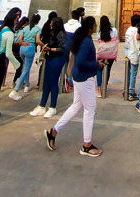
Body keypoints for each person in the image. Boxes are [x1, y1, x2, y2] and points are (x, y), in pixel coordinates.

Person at [44, 16, 104, 156]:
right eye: (95, 25)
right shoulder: (87, 42)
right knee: (90, 109)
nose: (96, 27)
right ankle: (86, 145)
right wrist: (97, 64)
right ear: (90, 27)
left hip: (78, 76)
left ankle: (53, 132)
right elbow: (81, 62)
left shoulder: (81, 37)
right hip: (84, 78)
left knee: (76, 106)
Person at [29, 17, 67, 118]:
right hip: (50, 58)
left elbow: (63, 48)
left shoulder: (61, 34)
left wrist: (50, 49)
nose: (50, 25)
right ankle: (42, 105)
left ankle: (52, 107)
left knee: (53, 82)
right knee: (46, 82)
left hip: (57, 60)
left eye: (52, 23)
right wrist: (47, 46)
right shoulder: (53, 33)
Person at [9, 13, 43, 100]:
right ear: (38, 21)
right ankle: (15, 90)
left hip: (22, 48)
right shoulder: (38, 29)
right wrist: (44, 46)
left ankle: (27, 85)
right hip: (30, 48)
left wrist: (23, 43)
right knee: (26, 69)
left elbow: (20, 40)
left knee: (25, 67)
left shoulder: (25, 28)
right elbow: (38, 41)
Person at [96, 15, 119, 97]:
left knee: (99, 70)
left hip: (102, 53)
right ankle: (104, 87)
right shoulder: (114, 30)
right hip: (111, 54)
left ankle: (99, 89)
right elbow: (116, 39)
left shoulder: (99, 32)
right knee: (108, 69)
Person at [124, 13, 140, 101]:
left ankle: (126, 90)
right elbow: (138, 43)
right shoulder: (137, 31)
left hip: (127, 54)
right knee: (133, 74)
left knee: (128, 73)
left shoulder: (128, 29)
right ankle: (131, 92)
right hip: (134, 54)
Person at [11, 16, 29, 87]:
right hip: (19, 48)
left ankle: (19, 81)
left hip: (14, 49)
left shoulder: (16, 29)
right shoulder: (23, 30)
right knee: (20, 66)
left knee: (19, 66)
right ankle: (14, 81)